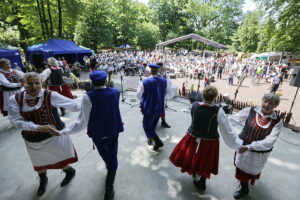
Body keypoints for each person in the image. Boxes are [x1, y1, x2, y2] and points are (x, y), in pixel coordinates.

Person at [54, 70, 124, 200]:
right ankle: (110, 169)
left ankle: (109, 188)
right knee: (112, 152)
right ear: (106, 81)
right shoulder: (115, 92)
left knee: (107, 155)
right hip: (114, 128)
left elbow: (81, 120)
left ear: (92, 82)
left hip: (98, 132)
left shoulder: (88, 96)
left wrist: (63, 131)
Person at [7, 72, 80, 196]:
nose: (34, 86)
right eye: (30, 83)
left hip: (54, 135)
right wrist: (38, 127)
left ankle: (69, 171)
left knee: (60, 157)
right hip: (32, 138)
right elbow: (15, 120)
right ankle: (43, 179)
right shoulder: (15, 99)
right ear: (23, 84)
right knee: (39, 161)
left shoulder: (50, 95)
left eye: (37, 83)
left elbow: (74, 105)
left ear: (42, 83)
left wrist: (93, 100)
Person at [169, 86, 242, 191]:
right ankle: (202, 181)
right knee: (206, 160)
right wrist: (238, 143)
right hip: (210, 140)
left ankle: (194, 171)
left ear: (203, 95)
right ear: (215, 97)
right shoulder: (218, 111)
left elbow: (195, 117)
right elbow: (227, 129)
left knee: (192, 154)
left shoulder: (194, 105)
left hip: (192, 135)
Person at [229, 93, 283, 199]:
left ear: (275, 106)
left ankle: (244, 186)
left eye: (271, 103)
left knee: (252, 170)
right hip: (243, 147)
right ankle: (244, 188)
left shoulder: (277, 121)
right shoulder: (251, 110)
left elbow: (270, 141)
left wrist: (250, 147)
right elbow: (234, 119)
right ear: (262, 101)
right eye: (265, 101)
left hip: (259, 151)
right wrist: (219, 120)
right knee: (241, 169)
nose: (267, 105)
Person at [137, 64, 173, 150]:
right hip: (159, 106)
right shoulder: (164, 81)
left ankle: (157, 141)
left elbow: (138, 95)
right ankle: (150, 138)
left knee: (146, 125)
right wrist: (162, 98)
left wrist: (142, 101)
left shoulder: (143, 82)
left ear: (149, 71)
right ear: (158, 71)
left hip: (148, 107)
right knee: (154, 123)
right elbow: (170, 94)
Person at [157, 62, 173, 128]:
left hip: (162, 93)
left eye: (161, 67)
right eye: (159, 67)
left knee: (161, 108)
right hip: (155, 93)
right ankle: (154, 121)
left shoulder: (165, 74)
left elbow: (169, 83)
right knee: (155, 108)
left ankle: (163, 121)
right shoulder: (154, 74)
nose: (161, 68)